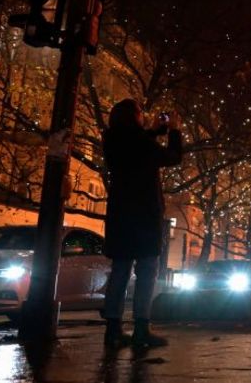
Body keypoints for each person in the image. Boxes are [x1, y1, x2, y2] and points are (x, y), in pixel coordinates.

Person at [100, 99, 183, 349]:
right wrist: (175, 131)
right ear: (135, 117)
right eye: (140, 114)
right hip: (145, 216)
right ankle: (141, 327)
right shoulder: (142, 143)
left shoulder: (112, 140)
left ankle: (112, 328)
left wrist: (156, 131)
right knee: (147, 271)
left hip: (120, 216)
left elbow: (135, 142)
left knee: (120, 270)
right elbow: (172, 157)